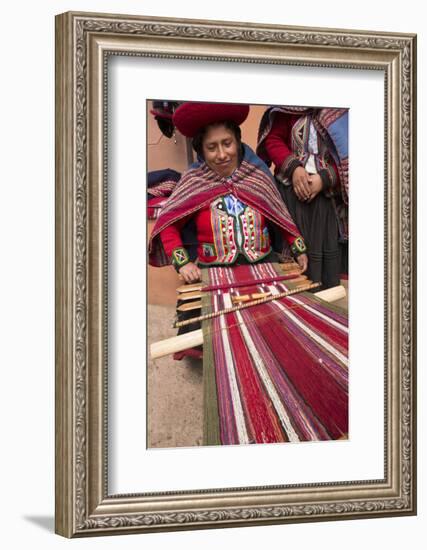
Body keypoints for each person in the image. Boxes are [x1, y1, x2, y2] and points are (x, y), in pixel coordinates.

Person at [149, 102, 308, 282]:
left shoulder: (257, 175)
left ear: (237, 142)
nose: (222, 154)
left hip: (264, 267)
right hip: (213, 273)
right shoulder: (193, 181)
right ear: (201, 150)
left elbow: (280, 215)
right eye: (211, 148)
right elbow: (168, 224)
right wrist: (183, 262)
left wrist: (298, 248)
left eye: (227, 143)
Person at [257, 106, 348, 290]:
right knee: (292, 261)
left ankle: (323, 311)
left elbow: (352, 156)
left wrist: (324, 179)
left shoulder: (344, 114)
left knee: (325, 274)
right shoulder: (288, 109)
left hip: (327, 202)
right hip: (290, 198)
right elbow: (273, 140)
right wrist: (294, 169)